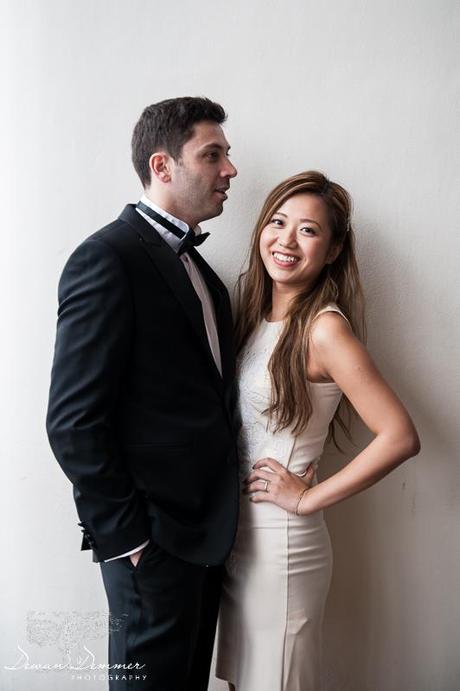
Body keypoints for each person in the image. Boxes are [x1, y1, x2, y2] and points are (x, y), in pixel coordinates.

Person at [46, 96, 239, 691]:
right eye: (213, 155)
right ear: (162, 167)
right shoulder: (106, 257)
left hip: (208, 539)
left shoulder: (207, 277)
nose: (230, 169)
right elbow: (73, 422)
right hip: (149, 543)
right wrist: (129, 538)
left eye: (228, 155)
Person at [216, 170, 420, 691]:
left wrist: (309, 499)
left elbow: (400, 434)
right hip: (237, 539)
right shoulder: (251, 315)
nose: (286, 239)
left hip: (283, 543)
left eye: (308, 230)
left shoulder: (325, 328)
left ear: (332, 250)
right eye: (278, 222)